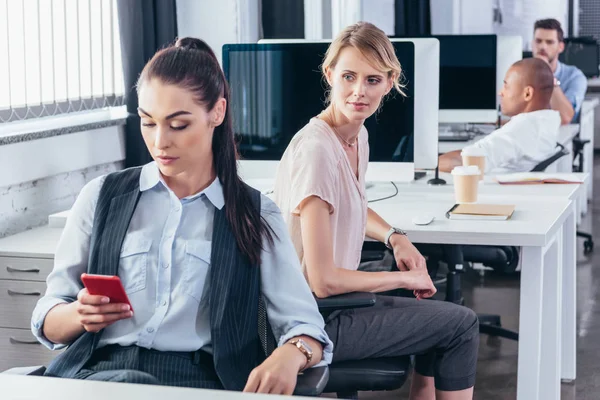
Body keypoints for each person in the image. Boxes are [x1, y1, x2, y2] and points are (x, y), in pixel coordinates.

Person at [30, 37, 332, 394]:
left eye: (178, 125)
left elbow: (307, 328)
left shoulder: (254, 214)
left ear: (216, 113)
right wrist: (77, 316)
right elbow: (48, 315)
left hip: (195, 383)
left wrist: (290, 354)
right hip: (93, 375)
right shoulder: (101, 197)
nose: (160, 142)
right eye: (147, 122)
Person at [273, 22, 479, 400]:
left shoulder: (354, 136)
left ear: (389, 82)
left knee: (436, 311)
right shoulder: (317, 151)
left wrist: (394, 237)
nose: (358, 91)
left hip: (331, 306)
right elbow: (323, 280)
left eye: (372, 80)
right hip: (312, 318)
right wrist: (403, 281)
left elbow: (352, 204)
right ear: (329, 73)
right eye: (349, 76)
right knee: (460, 324)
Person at [439, 58, 561, 174]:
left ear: (527, 93)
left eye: (506, 86)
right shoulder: (549, 120)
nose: (500, 92)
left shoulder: (521, 128)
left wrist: (426, 163)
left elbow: (469, 161)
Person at [532, 18, 587, 124]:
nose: (542, 47)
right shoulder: (519, 72)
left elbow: (565, 117)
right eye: (538, 41)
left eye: (549, 42)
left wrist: (547, 74)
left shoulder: (575, 77)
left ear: (560, 47)